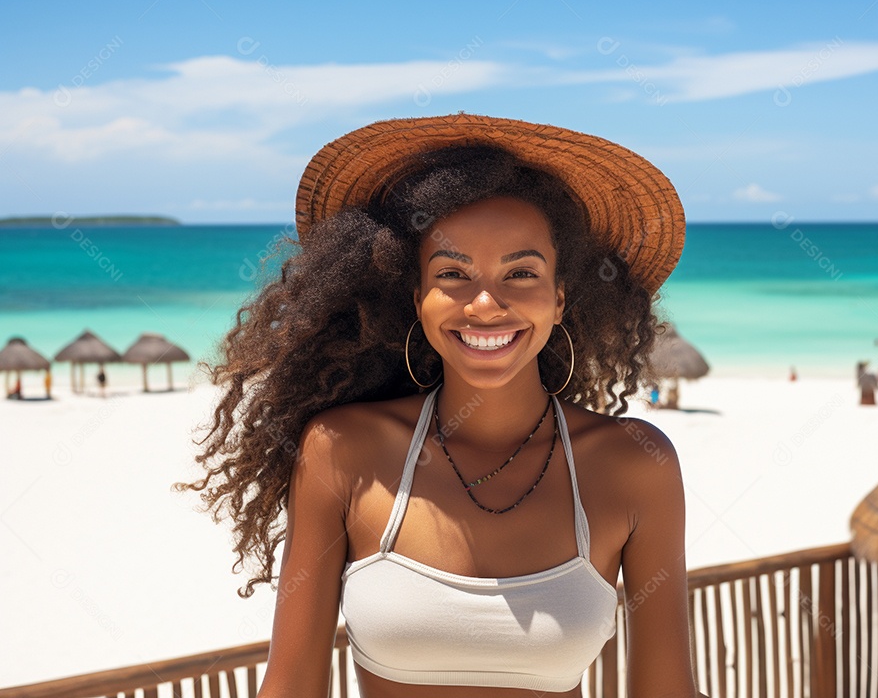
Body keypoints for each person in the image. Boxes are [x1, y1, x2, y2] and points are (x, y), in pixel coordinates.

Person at [178, 114, 702, 697]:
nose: (485, 304)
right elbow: (291, 687)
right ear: (417, 299)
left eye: (520, 272)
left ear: (559, 299)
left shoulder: (635, 464)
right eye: (453, 273)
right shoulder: (342, 450)